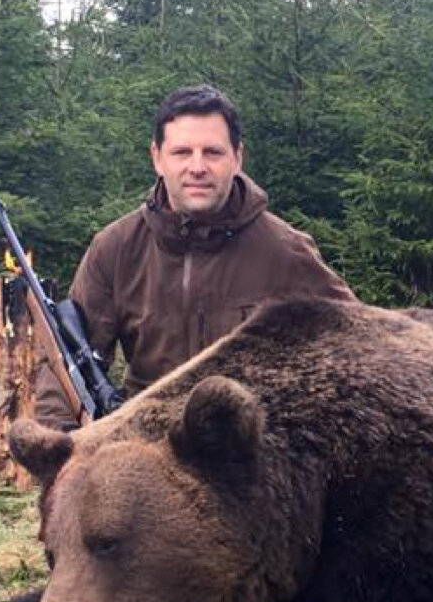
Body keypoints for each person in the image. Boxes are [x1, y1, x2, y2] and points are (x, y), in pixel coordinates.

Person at [35, 84, 356, 429]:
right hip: (144, 444)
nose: (197, 167)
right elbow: (63, 372)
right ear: (157, 158)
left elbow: (361, 341)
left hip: (250, 452)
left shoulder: (285, 250)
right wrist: (58, 455)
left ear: (237, 157)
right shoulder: (115, 248)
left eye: (213, 152)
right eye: (182, 152)